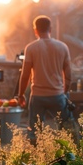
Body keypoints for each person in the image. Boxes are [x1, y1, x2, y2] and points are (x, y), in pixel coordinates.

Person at [17, 15, 72, 143]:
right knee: (65, 129)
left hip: (38, 96)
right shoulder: (63, 47)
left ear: (35, 30)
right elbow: (69, 75)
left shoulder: (31, 48)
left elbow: (25, 75)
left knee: (34, 132)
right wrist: (65, 92)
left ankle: (36, 156)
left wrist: (20, 95)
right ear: (50, 28)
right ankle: (66, 154)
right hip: (57, 95)